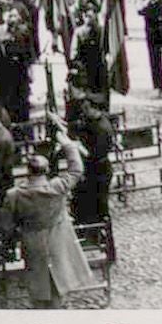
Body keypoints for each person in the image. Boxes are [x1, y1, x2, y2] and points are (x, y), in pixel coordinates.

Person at [0, 114, 96, 308]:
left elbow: (6, 227)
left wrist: (12, 239)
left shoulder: (14, 195)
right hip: (57, 241)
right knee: (56, 287)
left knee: (38, 288)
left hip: (31, 243)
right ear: (46, 170)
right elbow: (76, 169)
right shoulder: (57, 187)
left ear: (28, 171)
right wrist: (68, 145)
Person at [69, 95, 114, 226]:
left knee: (98, 205)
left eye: (87, 108)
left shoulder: (102, 128)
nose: (84, 111)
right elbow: (82, 128)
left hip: (99, 170)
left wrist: (78, 146)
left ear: (95, 109)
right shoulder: (93, 121)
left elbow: (94, 154)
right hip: (94, 168)